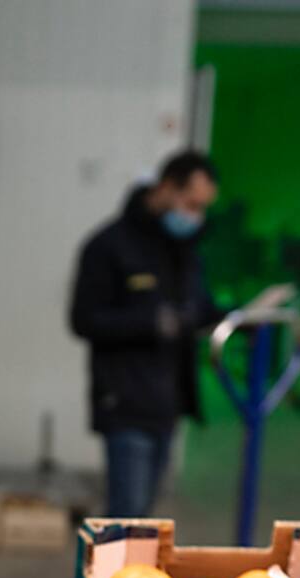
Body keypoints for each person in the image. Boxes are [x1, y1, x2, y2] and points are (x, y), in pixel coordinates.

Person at [70, 150, 223, 517]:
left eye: (203, 208)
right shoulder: (109, 246)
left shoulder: (184, 251)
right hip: (125, 402)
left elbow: (201, 309)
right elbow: (84, 320)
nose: (196, 216)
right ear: (167, 187)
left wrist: (243, 316)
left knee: (145, 515)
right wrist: (151, 322)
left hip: (166, 405)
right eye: (192, 204)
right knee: (128, 516)